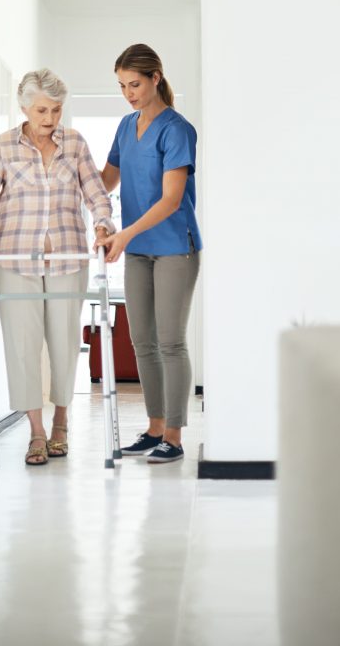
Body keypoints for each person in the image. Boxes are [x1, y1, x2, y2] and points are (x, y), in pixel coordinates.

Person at [0, 68, 115, 466]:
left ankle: (61, 424)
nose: (50, 119)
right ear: (23, 108)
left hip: (68, 257)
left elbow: (97, 195)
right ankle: (35, 432)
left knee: (65, 343)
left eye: (56, 110)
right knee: (22, 346)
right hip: (15, 259)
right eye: (41, 110)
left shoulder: (75, 144)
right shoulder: (5, 147)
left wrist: (103, 224)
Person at [98, 44, 202, 464]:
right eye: (122, 86)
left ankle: (174, 437)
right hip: (137, 248)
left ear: (156, 78)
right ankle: (154, 427)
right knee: (142, 342)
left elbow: (172, 200)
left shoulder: (177, 129)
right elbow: (104, 181)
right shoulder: (126, 126)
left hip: (176, 245)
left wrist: (124, 234)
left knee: (171, 342)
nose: (129, 93)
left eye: (135, 84)